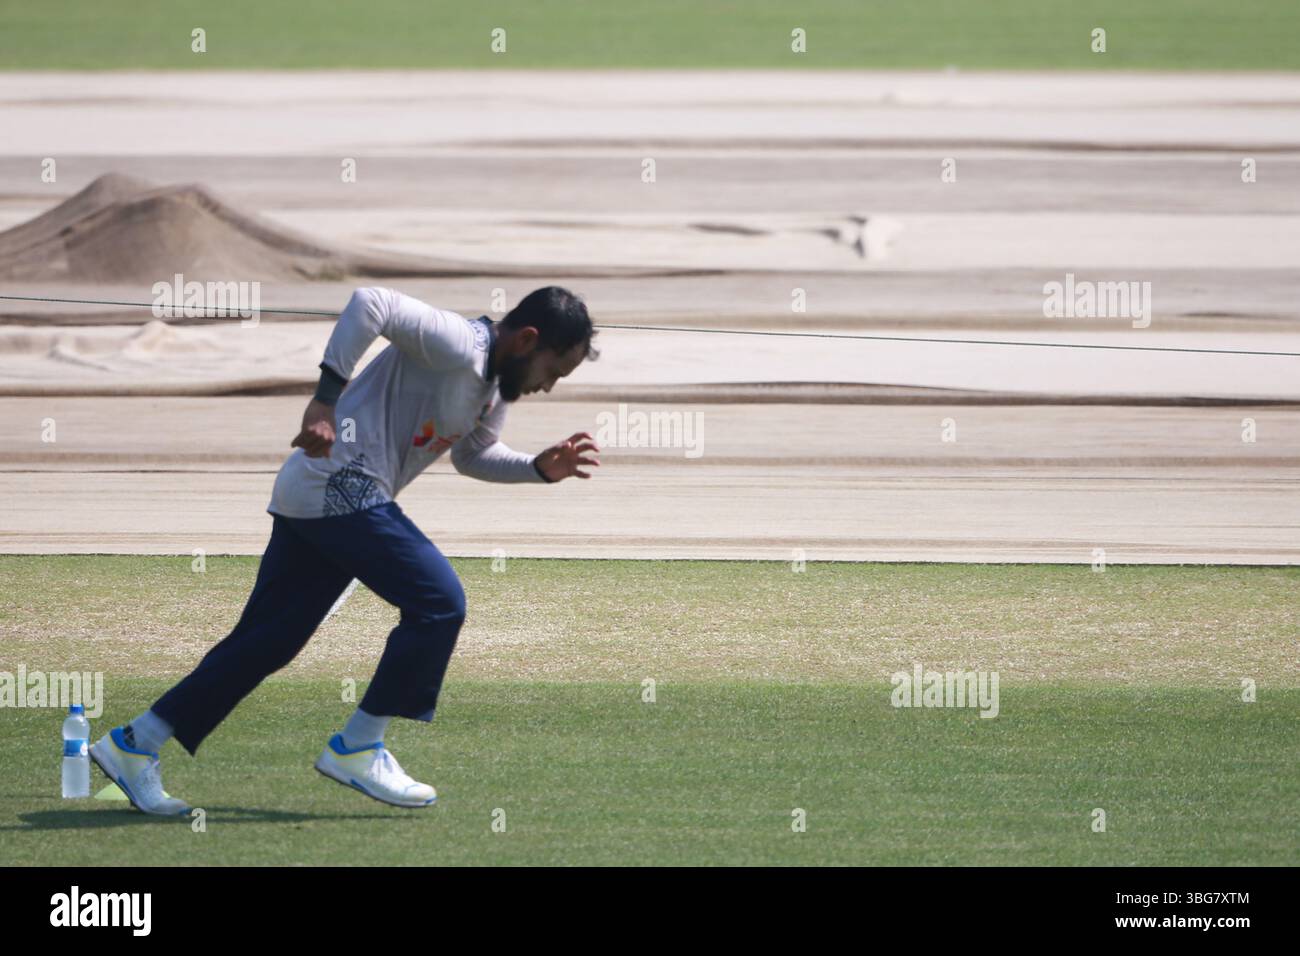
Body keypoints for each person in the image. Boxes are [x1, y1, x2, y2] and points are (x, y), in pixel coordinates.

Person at [89, 285, 600, 813]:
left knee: (269, 641)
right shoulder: (456, 341)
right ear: (527, 339)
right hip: (340, 490)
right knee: (440, 602)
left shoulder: (494, 390)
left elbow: (474, 456)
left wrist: (538, 469)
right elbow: (369, 303)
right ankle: (359, 745)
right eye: (554, 371)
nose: (548, 386)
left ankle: (135, 744)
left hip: (316, 495)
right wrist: (324, 400)